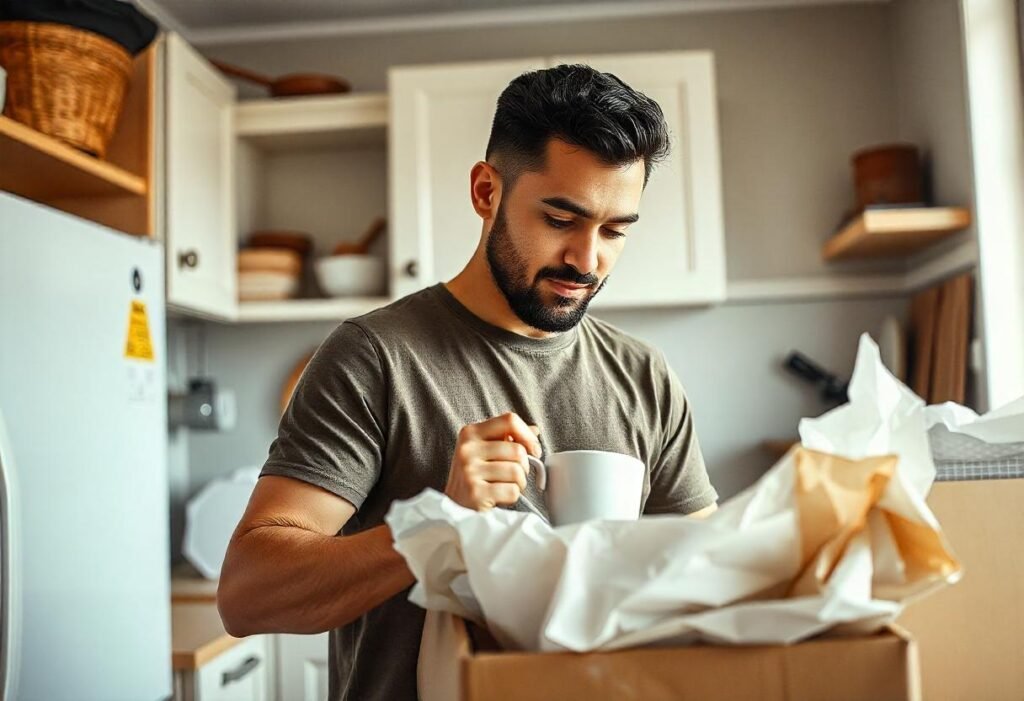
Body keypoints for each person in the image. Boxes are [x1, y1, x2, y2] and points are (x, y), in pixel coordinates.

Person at [217, 63, 719, 701]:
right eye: (561, 220)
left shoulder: (644, 377)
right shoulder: (375, 358)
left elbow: (708, 575)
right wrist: (437, 525)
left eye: (615, 231)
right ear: (487, 192)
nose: (588, 261)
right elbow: (248, 595)